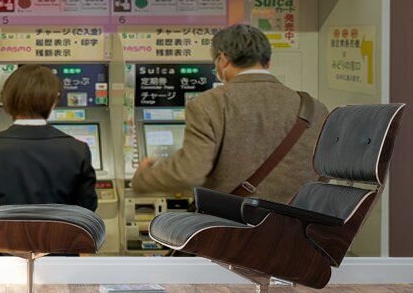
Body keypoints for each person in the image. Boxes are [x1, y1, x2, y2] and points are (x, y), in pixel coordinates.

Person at [131, 24, 329, 204]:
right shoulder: (314, 109)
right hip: (297, 230)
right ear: (268, 62)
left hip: (232, 229)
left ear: (223, 59)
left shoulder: (209, 104)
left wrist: (143, 178)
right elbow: (323, 174)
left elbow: (189, 173)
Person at [0, 64, 98, 218]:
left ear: (7, 98)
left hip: (0, 240)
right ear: (53, 101)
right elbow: (87, 208)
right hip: (60, 241)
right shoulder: (78, 150)